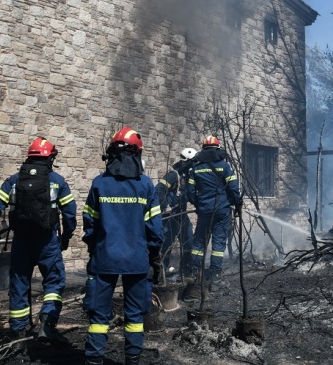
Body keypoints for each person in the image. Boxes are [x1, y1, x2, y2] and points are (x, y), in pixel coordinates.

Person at [82, 126, 163, 365]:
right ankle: (133, 359)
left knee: (98, 316)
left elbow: (89, 224)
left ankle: (94, 359)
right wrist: (155, 256)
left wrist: (93, 247)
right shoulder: (146, 186)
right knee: (135, 315)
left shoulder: (99, 184)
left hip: (104, 257)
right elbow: (155, 229)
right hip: (137, 260)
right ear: (137, 154)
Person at [0, 137, 76, 342]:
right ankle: (47, 321)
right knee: (53, 281)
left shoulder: (14, 180)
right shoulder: (57, 181)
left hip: (22, 241)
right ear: (50, 158)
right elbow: (70, 213)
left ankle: (18, 331)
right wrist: (66, 236)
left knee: (19, 284)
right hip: (47, 241)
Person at [185, 136, 242, 293]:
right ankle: (215, 279)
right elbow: (233, 188)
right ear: (217, 149)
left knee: (198, 243)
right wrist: (237, 204)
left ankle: (195, 277)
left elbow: (190, 193)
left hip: (204, 210)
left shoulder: (195, 169)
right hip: (222, 210)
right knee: (218, 244)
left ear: (203, 150)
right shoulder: (224, 167)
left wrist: (199, 204)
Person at [155, 147, 197, 282]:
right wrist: (165, 205)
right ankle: (161, 273)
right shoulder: (174, 175)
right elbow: (158, 190)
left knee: (189, 243)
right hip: (170, 217)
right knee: (166, 244)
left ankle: (186, 271)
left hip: (182, 216)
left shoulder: (189, 177)